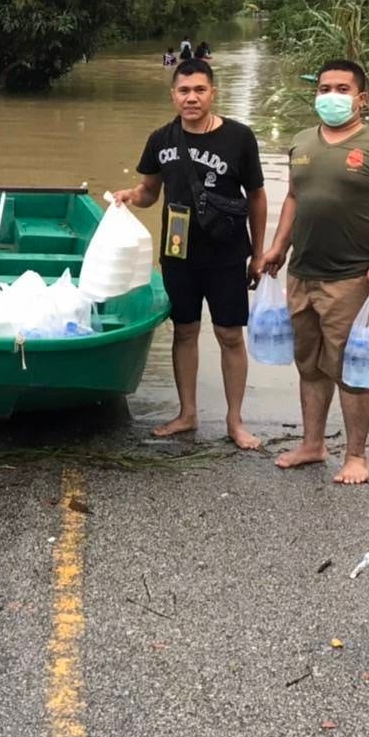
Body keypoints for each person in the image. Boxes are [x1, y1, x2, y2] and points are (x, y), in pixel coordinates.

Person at [262, 59, 369, 485]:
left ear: (361, 98)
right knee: (310, 365)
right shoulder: (301, 142)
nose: (331, 96)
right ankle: (312, 445)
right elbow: (294, 199)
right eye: (324, 88)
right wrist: (278, 247)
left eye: (342, 89)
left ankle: (356, 456)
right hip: (302, 272)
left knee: (351, 369)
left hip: (352, 277)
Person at [112, 58, 268, 449]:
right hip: (178, 253)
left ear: (213, 93)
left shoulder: (239, 138)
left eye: (199, 90)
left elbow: (257, 197)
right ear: (173, 95)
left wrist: (258, 253)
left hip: (227, 254)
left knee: (229, 334)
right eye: (184, 90)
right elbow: (150, 191)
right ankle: (187, 414)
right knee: (184, 331)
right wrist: (131, 196)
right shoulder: (161, 139)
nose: (191, 98)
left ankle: (235, 421)